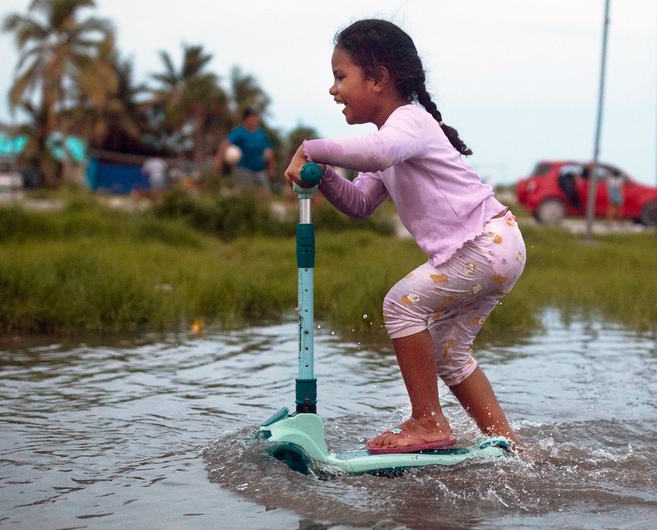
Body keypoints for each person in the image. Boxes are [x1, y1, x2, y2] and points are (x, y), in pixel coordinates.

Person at [284, 19, 526, 453]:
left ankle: (427, 422)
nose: (333, 89)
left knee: (401, 305)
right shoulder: (390, 142)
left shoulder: (408, 123)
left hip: (485, 244)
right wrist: (322, 178)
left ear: (378, 78)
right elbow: (359, 202)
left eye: (341, 77)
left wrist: (310, 148)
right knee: (450, 355)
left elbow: (377, 154)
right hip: (498, 246)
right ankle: (506, 444)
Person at [216, 108, 275, 192]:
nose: (254, 121)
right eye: (252, 118)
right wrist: (219, 160)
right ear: (245, 120)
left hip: (260, 170)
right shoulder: (239, 132)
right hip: (243, 170)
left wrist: (271, 169)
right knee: (244, 193)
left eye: (256, 118)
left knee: (264, 193)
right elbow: (225, 144)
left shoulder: (261, 134)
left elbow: (269, 152)